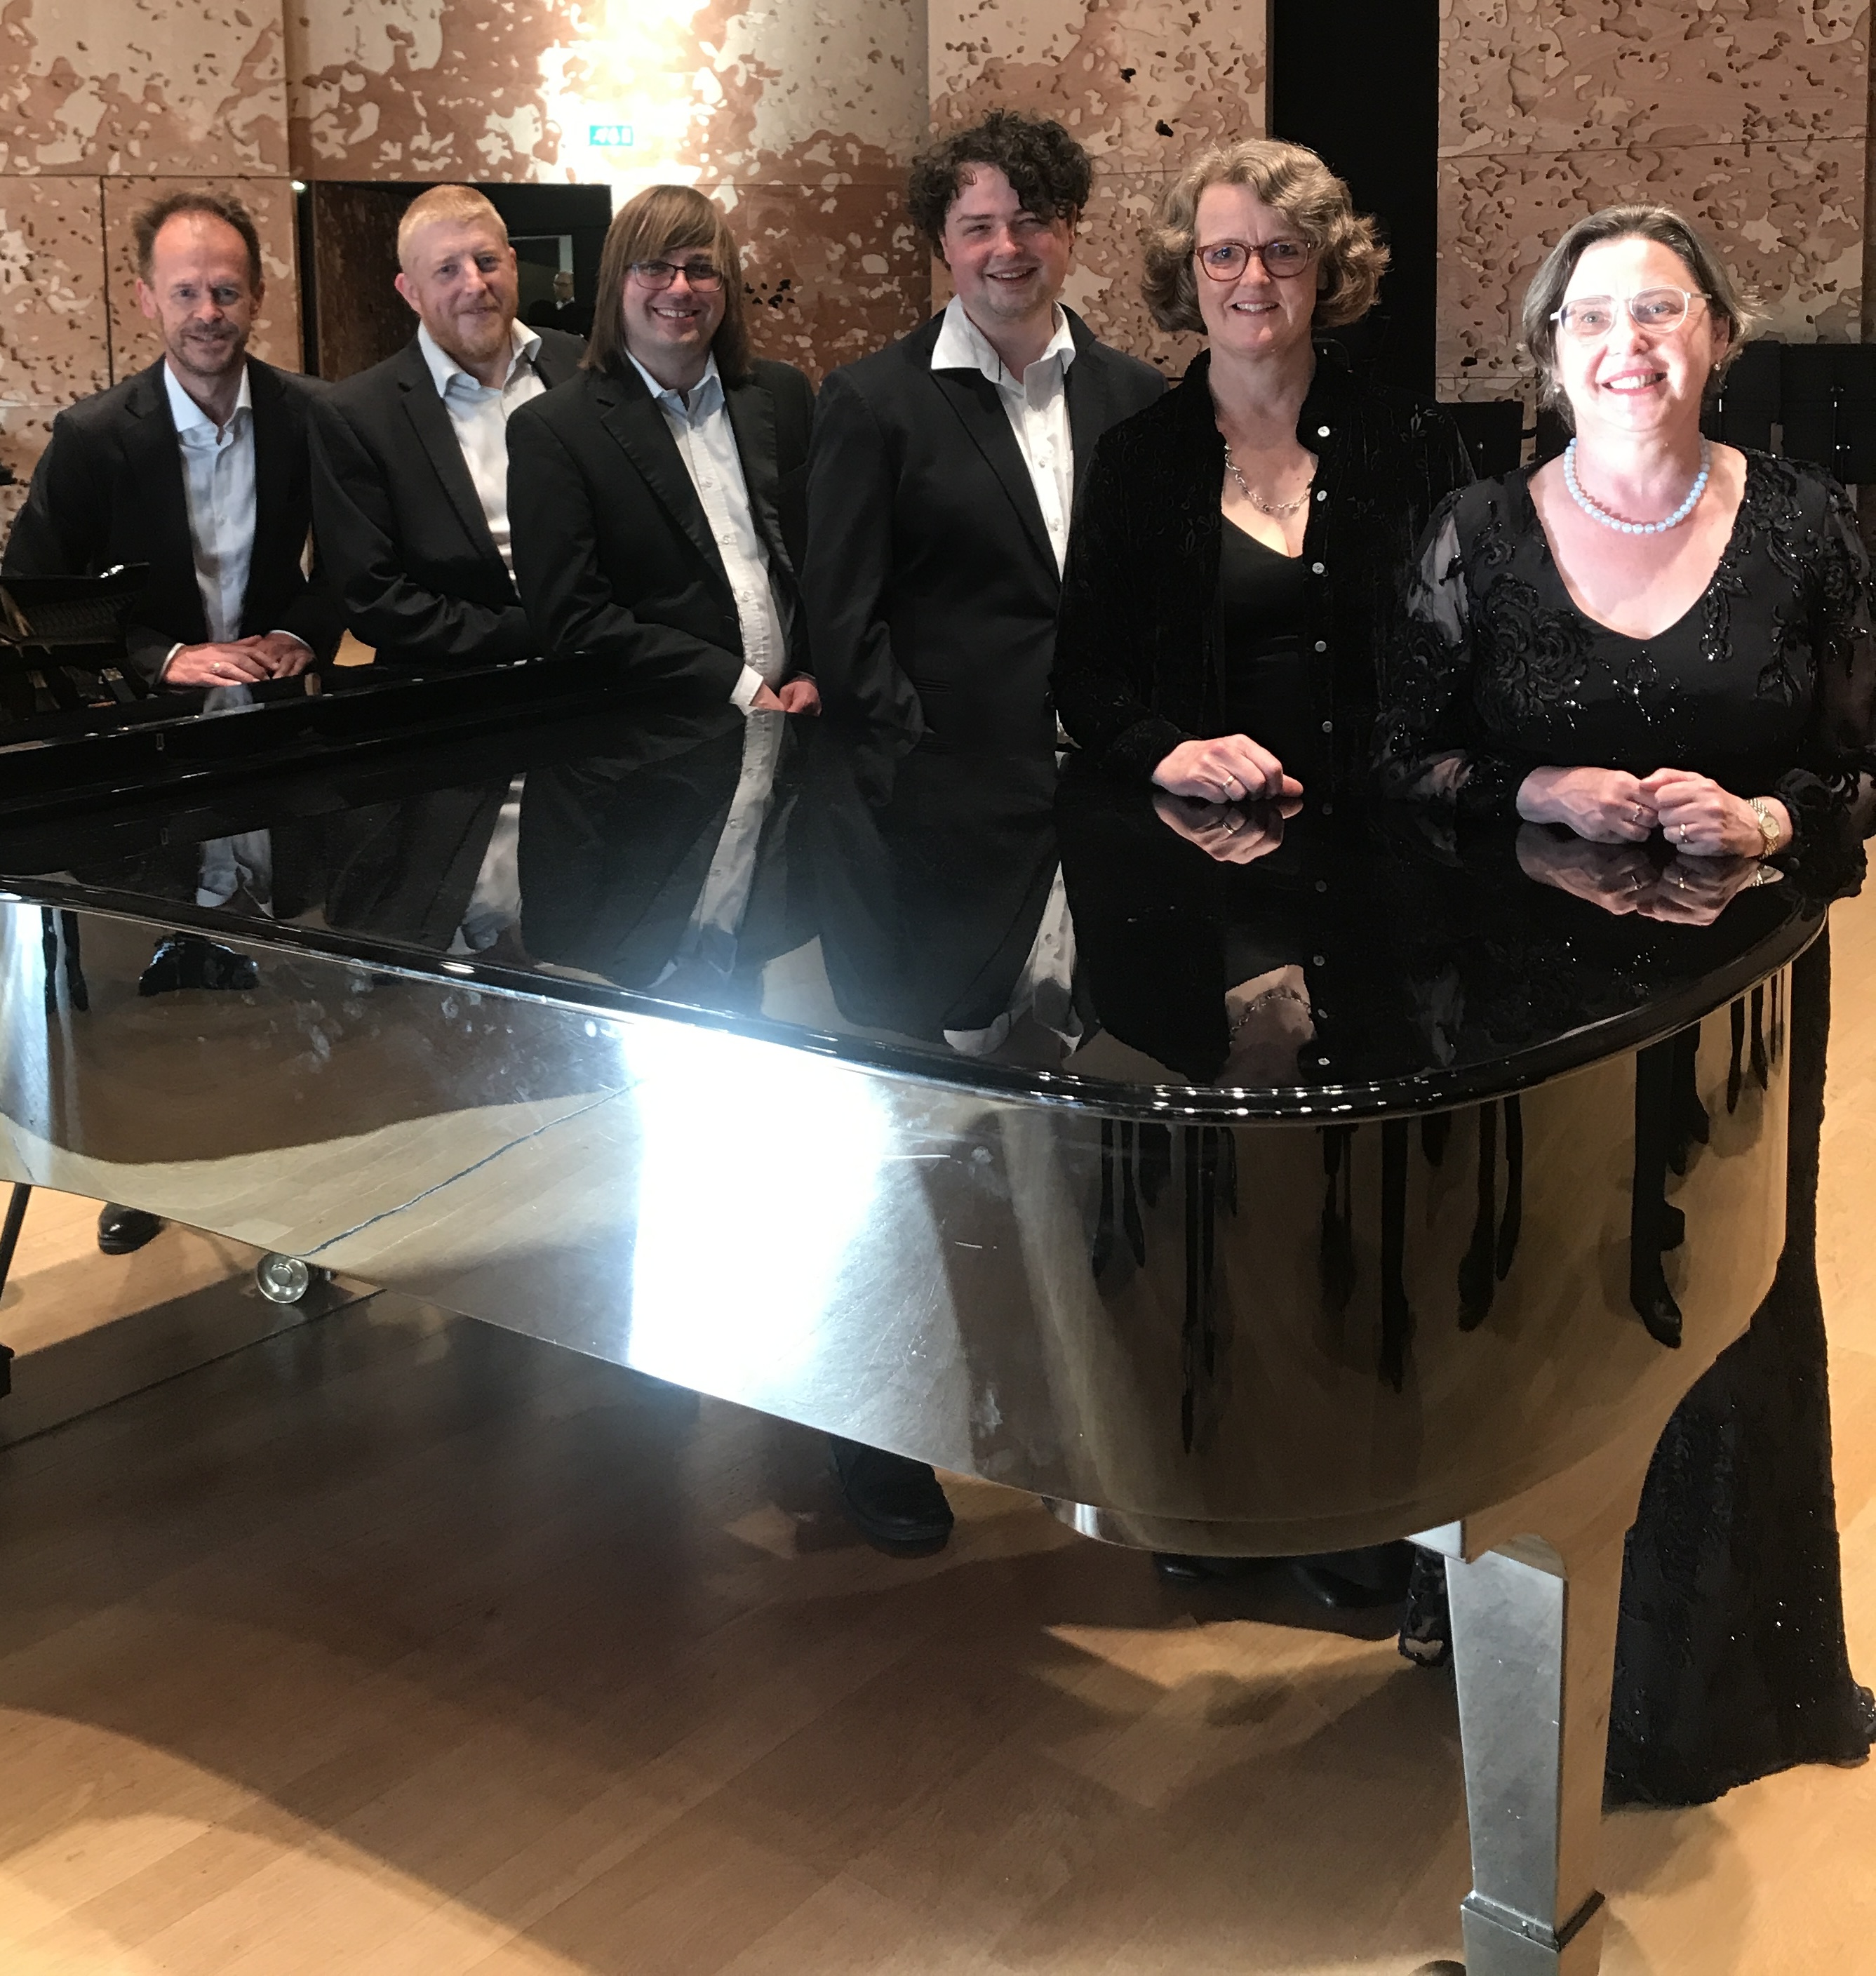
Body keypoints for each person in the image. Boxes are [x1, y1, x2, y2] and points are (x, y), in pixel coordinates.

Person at [1376, 202, 1876, 1803]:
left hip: (1743, 1004)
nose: (1630, 341)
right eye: (1596, 313)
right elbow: (1406, 762)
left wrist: (1778, 823)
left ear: (1717, 338)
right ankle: (1519, 1656)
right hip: (1526, 1017)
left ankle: (1715, 1685)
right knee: (1535, 1312)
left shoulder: (1812, 529)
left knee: (1730, 1301)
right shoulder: (1475, 534)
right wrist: (1543, 783)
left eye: (1664, 308)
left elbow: (1867, 762)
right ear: (1551, 349)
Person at [2, 187, 342, 1258]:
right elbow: (28, 600)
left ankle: (295, 1178)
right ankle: (148, 1172)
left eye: (228, 290)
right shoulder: (94, 439)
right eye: (187, 290)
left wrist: (299, 633)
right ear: (147, 298)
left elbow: (358, 566)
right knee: (152, 988)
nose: (209, 310)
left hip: (272, 736)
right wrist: (161, 659)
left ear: (255, 297)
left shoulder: (310, 416)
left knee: (282, 968)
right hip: (149, 753)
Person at [1053, 138, 1471, 804]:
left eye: (1284, 250)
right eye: (1224, 254)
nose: (1254, 279)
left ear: (1324, 268)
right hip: (1196, 855)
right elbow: (1083, 676)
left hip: (1389, 851)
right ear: (1190, 275)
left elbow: (1473, 656)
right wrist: (1166, 753)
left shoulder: (1414, 442)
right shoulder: (1136, 458)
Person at [803, 109, 1165, 752]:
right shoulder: (871, 402)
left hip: (1120, 765)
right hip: (953, 780)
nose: (1009, 248)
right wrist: (919, 757)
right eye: (979, 228)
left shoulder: (1135, 392)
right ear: (942, 243)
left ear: (1070, 231)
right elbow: (842, 624)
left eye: (1032, 222)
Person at [507, 184, 816, 712]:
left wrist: (813, 668)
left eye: (701, 268)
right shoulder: (553, 431)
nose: (680, 288)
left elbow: (818, 555)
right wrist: (736, 685)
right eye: (654, 267)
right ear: (616, 282)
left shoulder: (783, 395)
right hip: (655, 739)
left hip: (798, 718)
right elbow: (571, 619)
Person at [309, 185, 587, 671]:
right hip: (456, 694)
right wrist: (546, 634)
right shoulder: (356, 417)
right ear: (409, 291)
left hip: (610, 672)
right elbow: (374, 600)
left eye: (487, 260)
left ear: (514, 264)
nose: (474, 284)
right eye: (447, 270)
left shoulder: (585, 367)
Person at [526, 269, 593, 339]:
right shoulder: (547, 310)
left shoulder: (582, 310)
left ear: (573, 286)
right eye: (556, 284)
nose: (558, 288)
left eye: (563, 284)